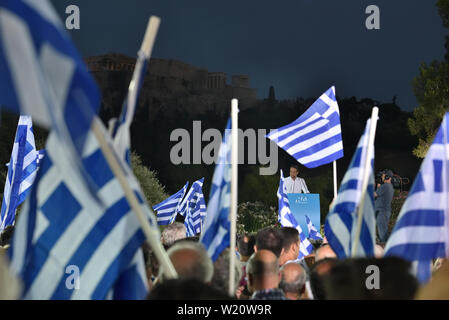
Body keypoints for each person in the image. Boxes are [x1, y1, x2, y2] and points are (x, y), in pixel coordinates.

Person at [374, 170, 395, 242]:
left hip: (382, 212)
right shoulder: (389, 186)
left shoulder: (385, 186)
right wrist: (378, 188)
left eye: (383, 175)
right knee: (384, 232)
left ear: (387, 176)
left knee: (382, 234)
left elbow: (374, 195)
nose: (382, 177)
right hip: (384, 212)